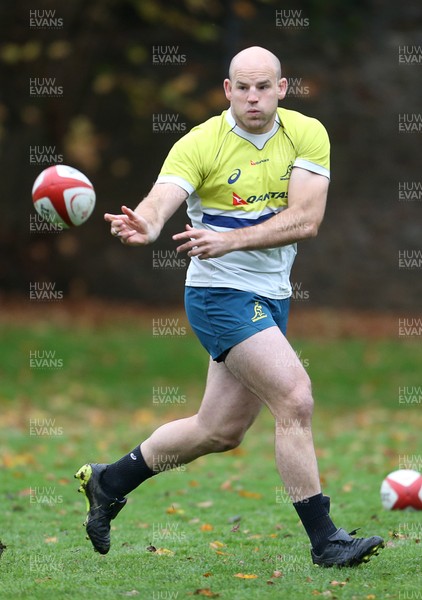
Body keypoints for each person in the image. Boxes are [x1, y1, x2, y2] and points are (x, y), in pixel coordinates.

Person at [74, 46, 384, 567]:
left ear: (282, 89)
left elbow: (306, 220)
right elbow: (160, 201)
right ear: (227, 90)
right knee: (295, 397)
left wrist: (231, 239)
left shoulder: (307, 134)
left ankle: (111, 480)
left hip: (272, 294)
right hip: (219, 296)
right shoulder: (201, 143)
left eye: (264, 87)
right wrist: (144, 225)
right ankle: (325, 539)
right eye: (242, 87)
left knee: (219, 430)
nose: (253, 97)